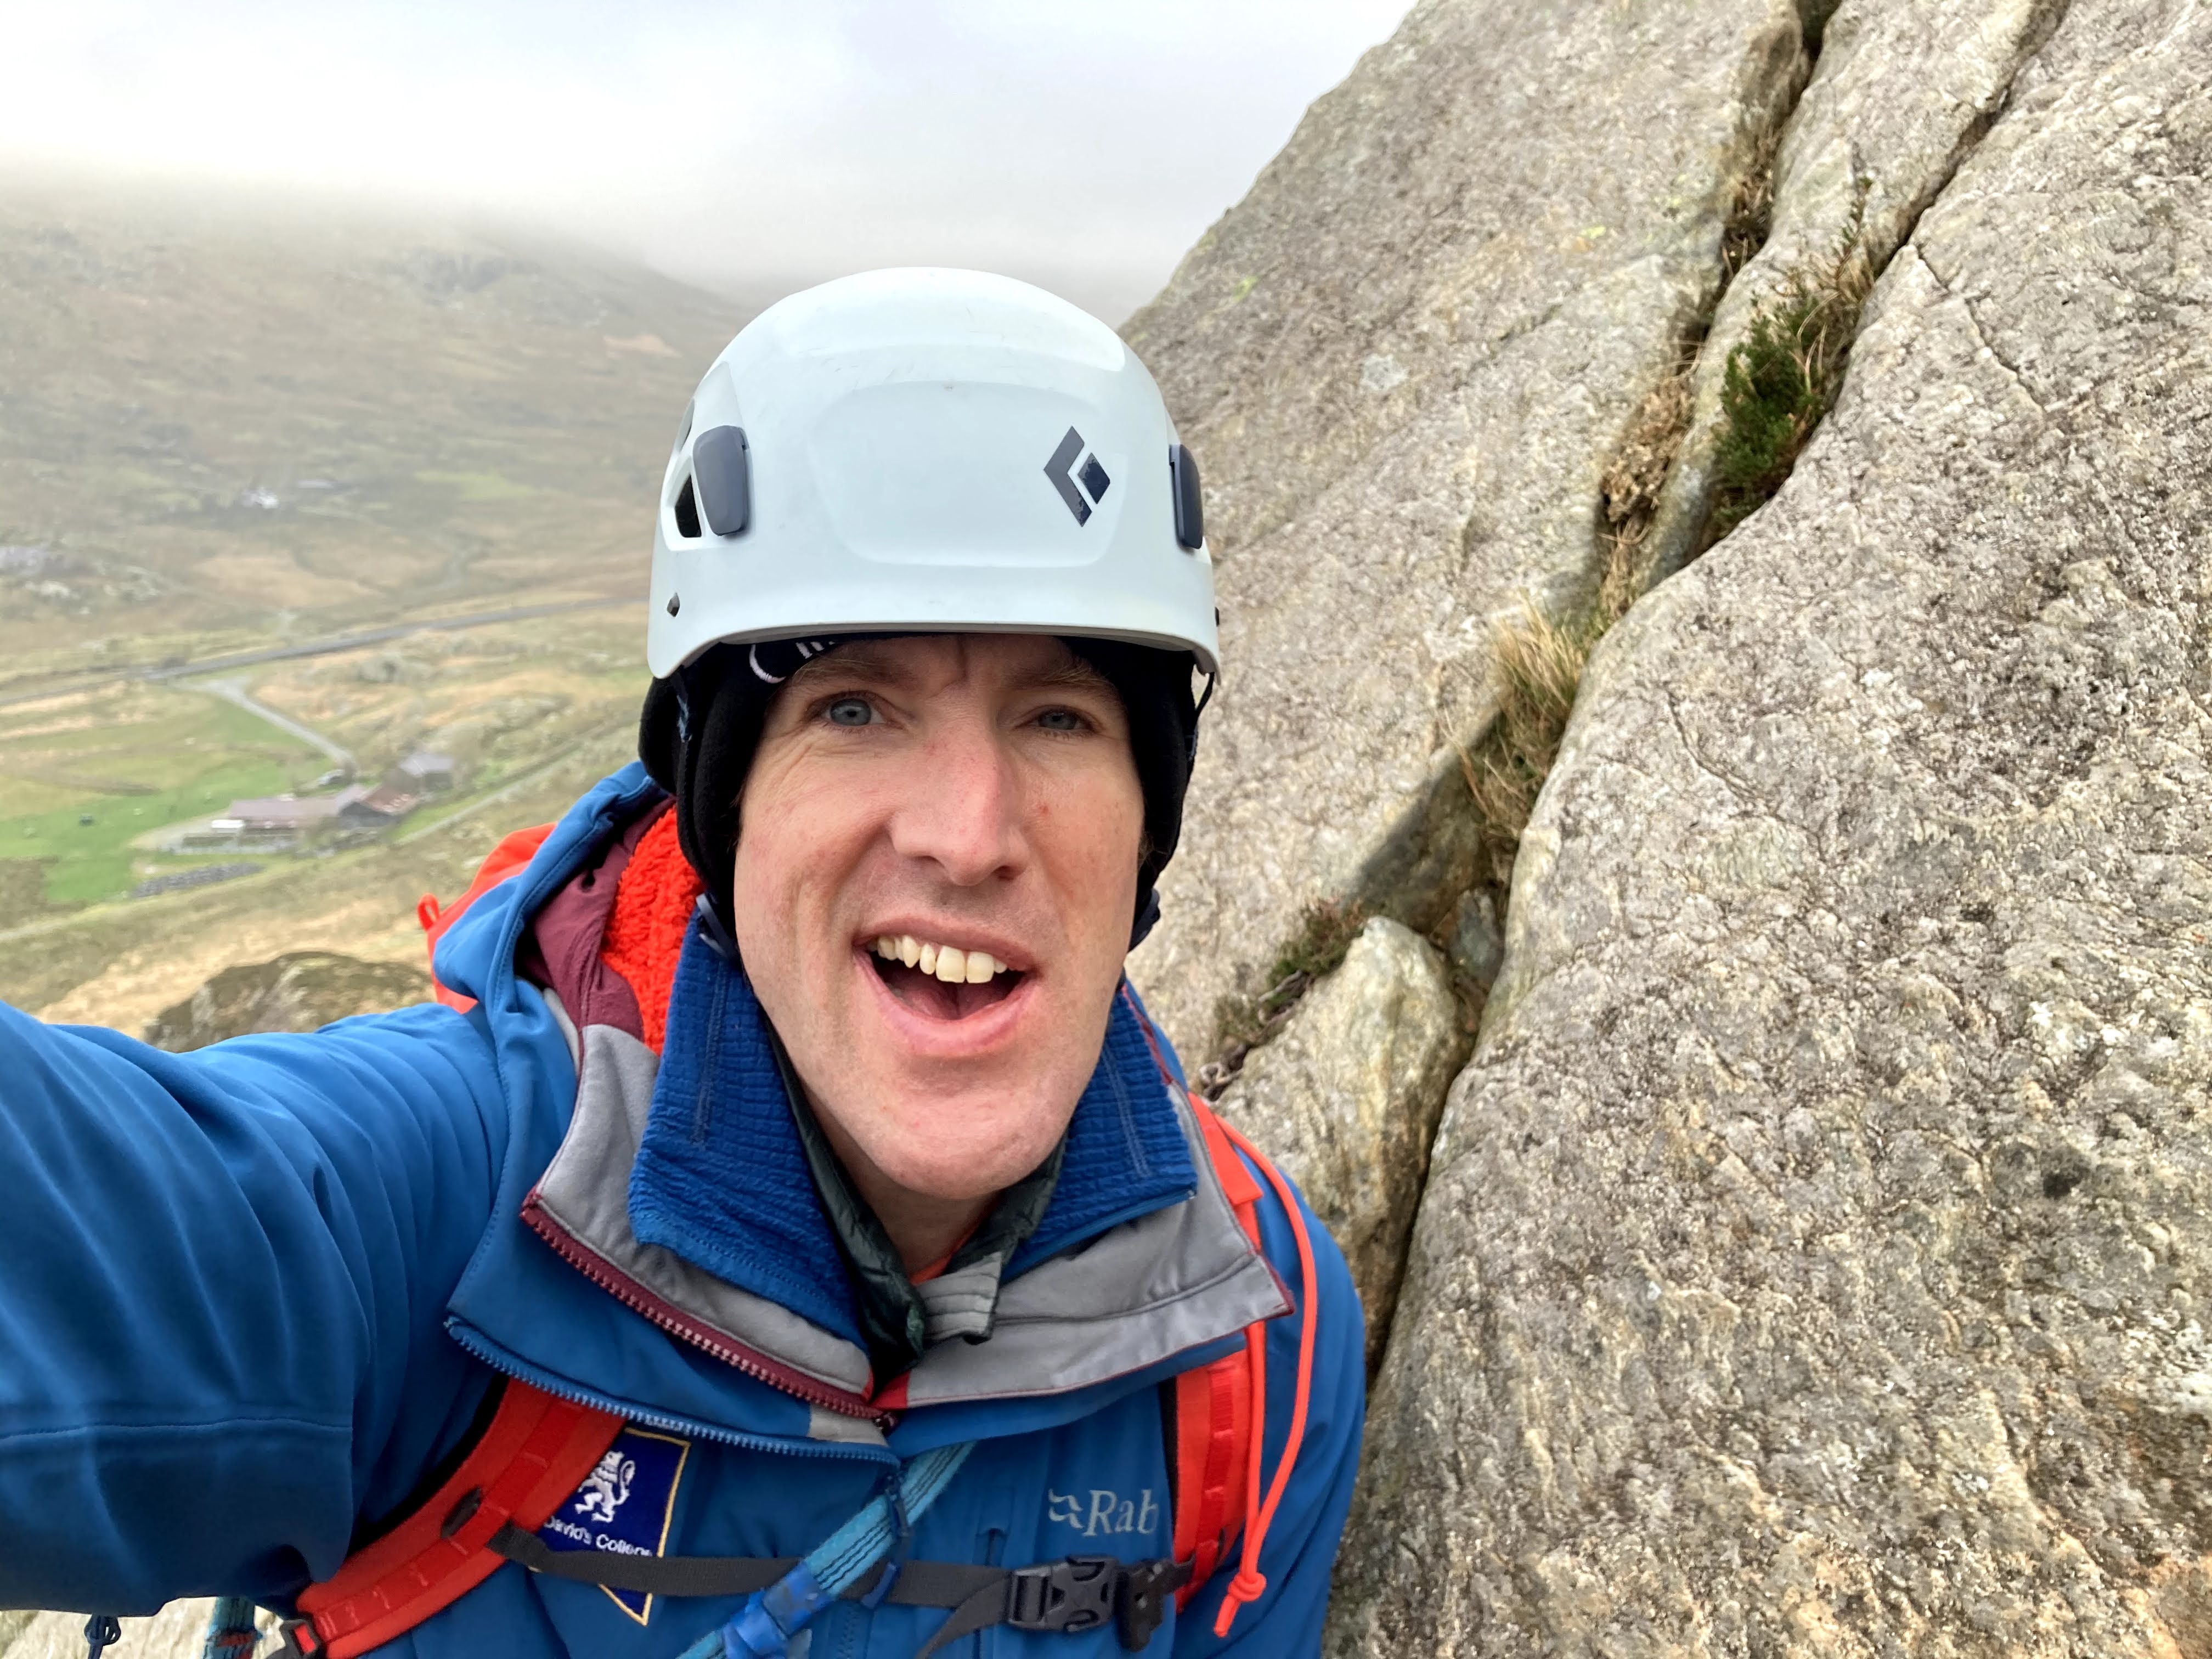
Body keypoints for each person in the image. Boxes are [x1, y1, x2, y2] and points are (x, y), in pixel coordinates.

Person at [0, 268, 1363, 1659]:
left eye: (1062, 717)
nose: (969, 835)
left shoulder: (1260, 1337)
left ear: (1148, 823)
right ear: (724, 810)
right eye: (853, 709)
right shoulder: (456, 1208)